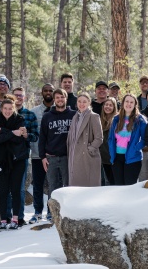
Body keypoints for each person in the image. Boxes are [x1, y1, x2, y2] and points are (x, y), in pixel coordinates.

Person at [0, 97, 27, 230]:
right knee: (3, 190)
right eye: (5, 108)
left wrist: (3, 131)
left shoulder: (20, 119)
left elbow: (19, 140)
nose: (7, 111)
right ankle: (4, 219)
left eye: (10, 108)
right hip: (1, 160)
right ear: (1, 109)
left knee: (16, 190)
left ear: (14, 108)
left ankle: (16, 219)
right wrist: (11, 132)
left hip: (17, 159)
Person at [39, 88, 76, 217]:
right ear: (54, 100)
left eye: (62, 97)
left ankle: (67, 213)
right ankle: (52, 213)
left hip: (67, 157)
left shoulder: (73, 115)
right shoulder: (47, 116)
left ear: (66, 98)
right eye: (58, 97)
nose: (60, 99)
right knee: (53, 186)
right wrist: (42, 157)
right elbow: (42, 137)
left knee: (68, 186)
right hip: (51, 157)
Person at [9, 87, 39, 226]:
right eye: (16, 95)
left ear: (24, 98)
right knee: (6, 188)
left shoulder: (29, 115)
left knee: (20, 188)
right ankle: (7, 216)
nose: (18, 98)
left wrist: (27, 135)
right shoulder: (6, 113)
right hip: (6, 156)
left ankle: (19, 217)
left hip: (22, 156)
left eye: (21, 95)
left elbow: (35, 136)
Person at [29, 83, 54, 224]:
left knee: (53, 184)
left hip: (53, 155)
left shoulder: (58, 111)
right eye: (46, 90)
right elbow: (32, 133)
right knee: (38, 185)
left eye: (51, 90)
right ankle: (38, 211)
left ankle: (51, 212)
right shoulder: (34, 112)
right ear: (42, 92)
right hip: (38, 155)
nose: (48, 92)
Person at [67, 92, 103, 186]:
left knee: (88, 189)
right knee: (75, 188)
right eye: (79, 101)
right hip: (74, 155)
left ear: (89, 103)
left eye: (84, 102)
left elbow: (99, 138)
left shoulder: (94, 116)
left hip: (87, 157)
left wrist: (89, 150)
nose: (81, 104)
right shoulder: (75, 117)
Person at [109, 95, 147, 185]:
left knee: (129, 187)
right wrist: (111, 153)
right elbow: (111, 138)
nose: (128, 104)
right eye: (126, 101)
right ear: (123, 103)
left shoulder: (140, 120)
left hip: (132, 158)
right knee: (118, 187)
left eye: (131, 102)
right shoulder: (116, 119)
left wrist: (135, 148)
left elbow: (145, 139)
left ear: (135, 105)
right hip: (117, 158)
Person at [99, 98, 118, 186]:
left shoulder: (117, 120)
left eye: (110, 105)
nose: (108, 107)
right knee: (105, 183)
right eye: (106, 105)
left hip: (114, 157)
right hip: (103, 157)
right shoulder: (99, 120)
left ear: (114, 107)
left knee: (114, 183)